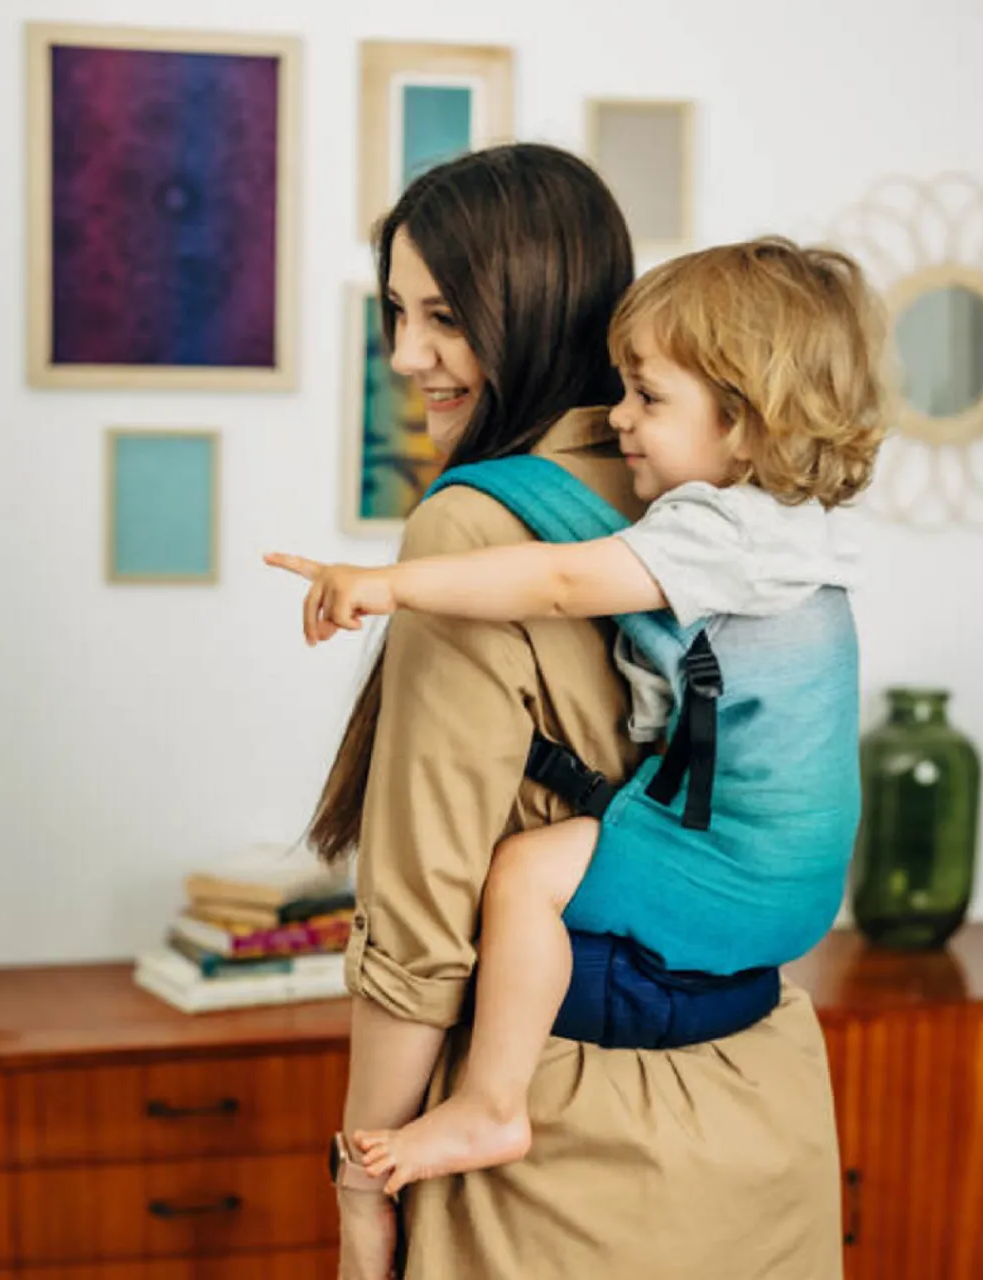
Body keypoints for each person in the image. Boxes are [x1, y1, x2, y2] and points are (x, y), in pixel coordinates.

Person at [273, 143, 849, 1280]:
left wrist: (361, 1184)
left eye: (445, 316)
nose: (407, 356)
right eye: (396, 314)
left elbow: (421, 914)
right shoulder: (731, 490)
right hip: (769, 1101)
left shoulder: (476, 528)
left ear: (534, 305)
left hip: (567, 1143)